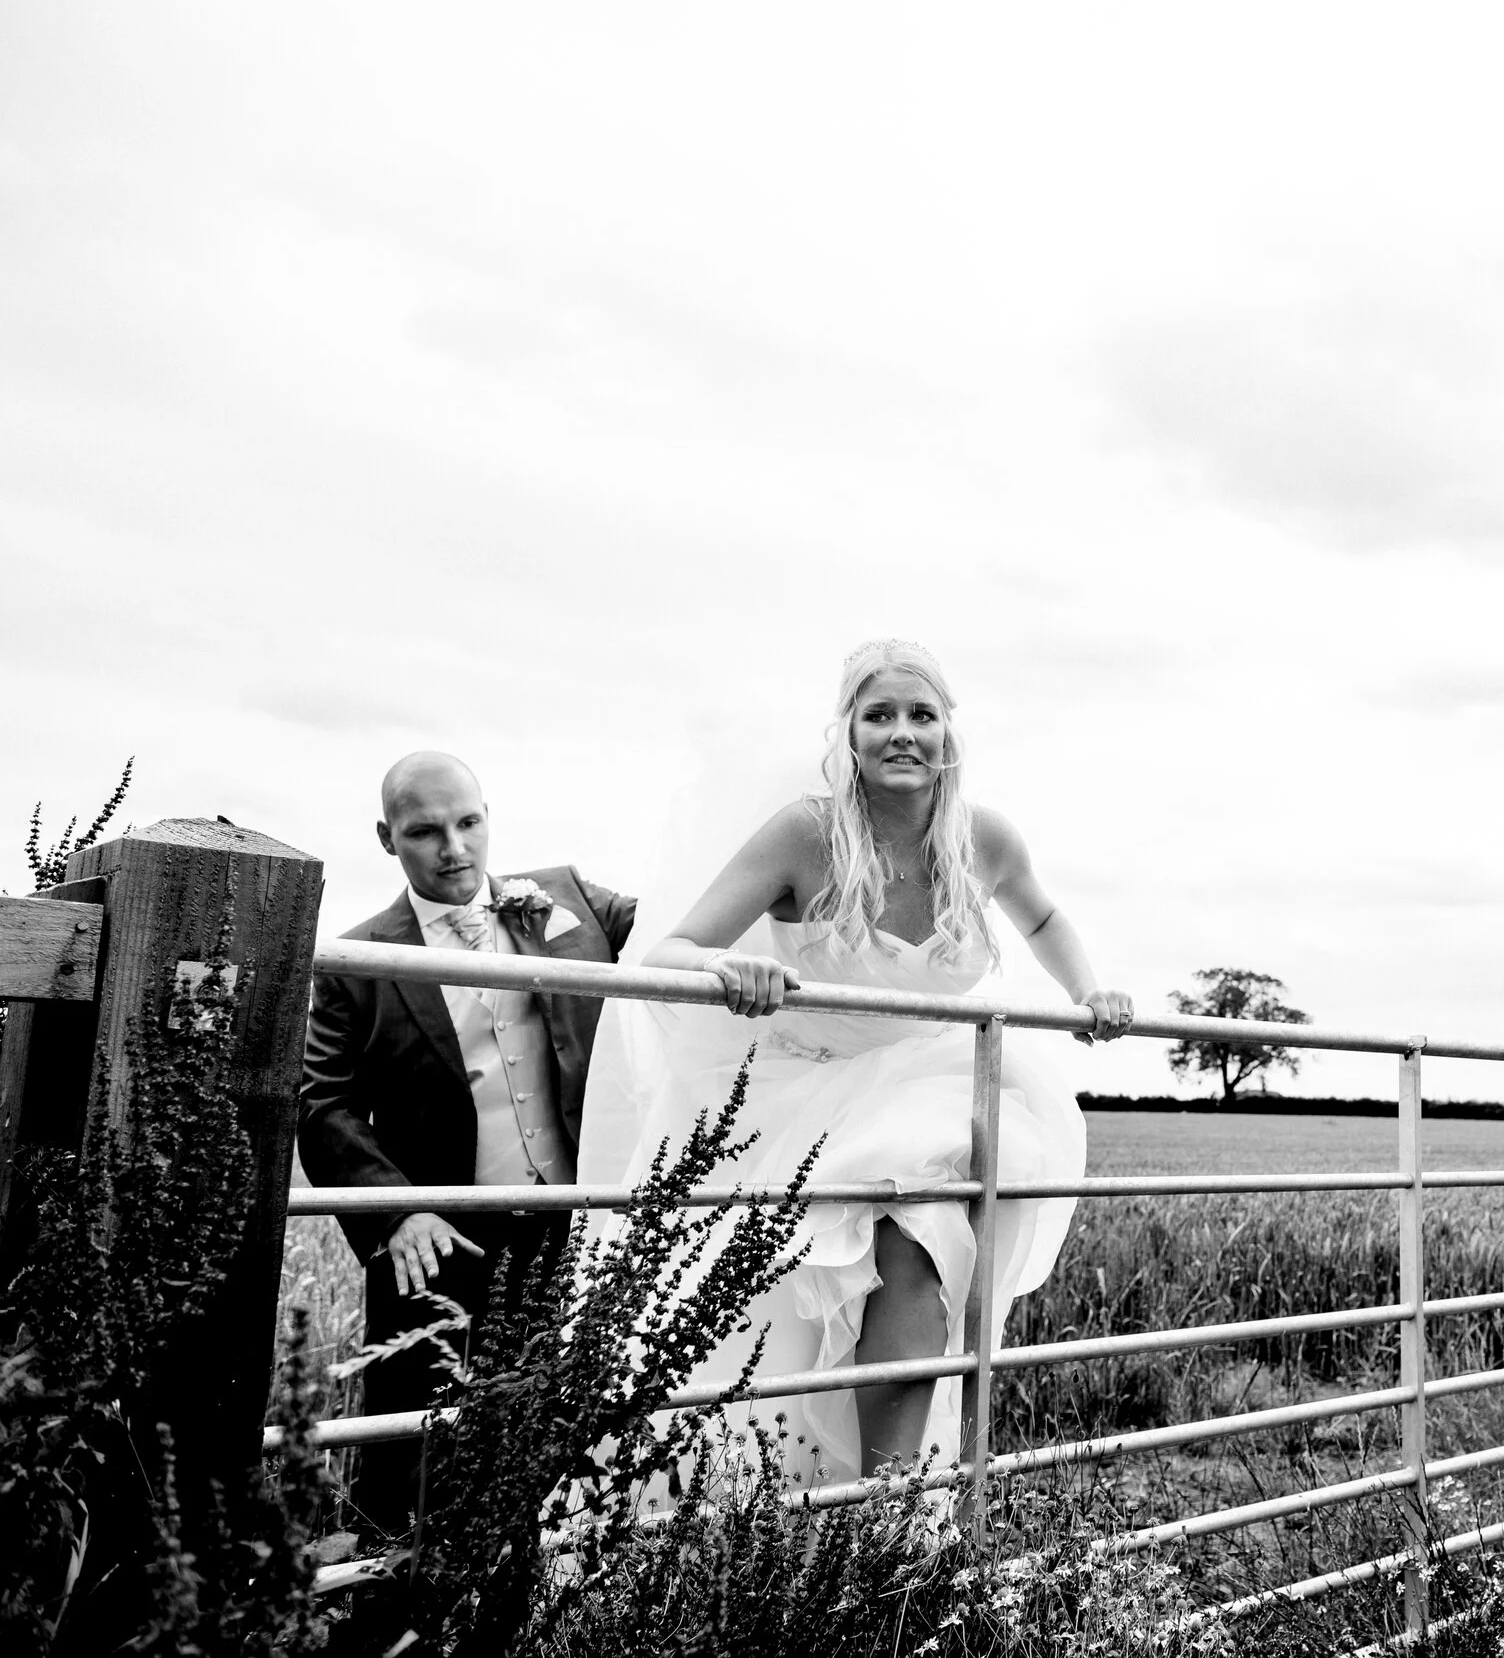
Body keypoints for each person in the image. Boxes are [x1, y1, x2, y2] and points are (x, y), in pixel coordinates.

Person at [578, 639, 1127, 1488]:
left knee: (924, 1228)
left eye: (921, 714)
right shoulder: (807, 832)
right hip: (810, 1095)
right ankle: (856, 1513)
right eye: (879, 715)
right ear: (849, 734)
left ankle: (897, 1506)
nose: (901, 732)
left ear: (950, 732)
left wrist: (1093, 990)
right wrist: (729, 967)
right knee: (777, 1319)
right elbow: (670, 948)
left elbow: (1045, 918)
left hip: (939, 1082)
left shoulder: (984, 839)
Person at [298, 752, 637, 1534]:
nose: (454, 846)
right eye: (425, 831)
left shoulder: (568, 898)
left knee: (560, 1452)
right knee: (411, 1471)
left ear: (489, 814)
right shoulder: (357, 959)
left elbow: (680, 923)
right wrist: (395, 1213)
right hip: (439, 1241)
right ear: (387, 838)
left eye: (469, 822)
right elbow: (322, 1100)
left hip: (572, 1228)